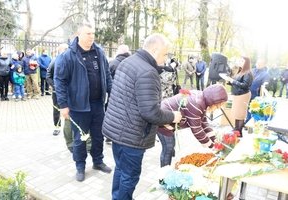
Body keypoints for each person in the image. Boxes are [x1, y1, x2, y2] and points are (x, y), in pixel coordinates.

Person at [102, 33, 182, 200]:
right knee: (129, 176)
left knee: (121, 169)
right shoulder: (148, 72)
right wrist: (173, 116)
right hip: (131, 136)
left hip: (117, 131)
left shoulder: (128, 62)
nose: (166, 58)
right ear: (154, 49)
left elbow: (133, 101)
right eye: (165, 53)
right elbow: (150, 112)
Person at [54, 22, 113, 182]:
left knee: (98, 135)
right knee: (80, 138)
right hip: (78, 106)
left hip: (97, 104)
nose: (91, 37)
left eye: (93, 33)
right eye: (88, 34)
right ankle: (80, 166)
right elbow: (60, 81)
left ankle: (98, 161)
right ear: (78, 35)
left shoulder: (99, 52)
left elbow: (106, 74)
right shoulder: (68, 55)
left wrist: (111, 93)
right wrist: (63, 105)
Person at [157, 84, 228, 167]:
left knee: (170, 146)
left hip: (170, 120)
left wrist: (214, 140)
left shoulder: (203, 99)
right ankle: (164, 175)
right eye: (218, 105)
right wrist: (212, 146)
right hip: (163, 121)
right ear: (213, 101)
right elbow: (197, 130)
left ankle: (168, 165)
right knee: (168, 149)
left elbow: (203, 122)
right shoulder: (197, 103)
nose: (218, 108)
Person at [224, 57, 253, 136]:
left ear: (246, 63)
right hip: (237, 94)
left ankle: (239, 132)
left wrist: (233, 81)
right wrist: (229, 81)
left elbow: (245, 85)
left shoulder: (248, 73)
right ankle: (236, 128)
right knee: (237, 113)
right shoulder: (240, 71)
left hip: (243, 95)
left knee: (240, 114)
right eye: (239, 60)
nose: (239, 62)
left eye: (242, 61)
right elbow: (236, 82)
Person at [46, 43, 69, 136]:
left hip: (69, 91)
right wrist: (56, 86)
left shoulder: (70, 61)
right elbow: (48, 76)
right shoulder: (54, 61)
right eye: (66, 49)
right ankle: (57, 126)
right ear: (60, 50)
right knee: (57, 109)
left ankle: (69, 129)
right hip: (57, 91)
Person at [245, 58, 269, 124]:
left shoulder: (265, 74)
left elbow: (265, 84)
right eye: (257, 63)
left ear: (264, 65)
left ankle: (249, 122)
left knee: (253, 109)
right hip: (247, 92)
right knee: (247, 108)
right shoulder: (251, 71)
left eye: (260, 63)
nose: (258, 65)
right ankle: (247, 121)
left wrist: (264, 85)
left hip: (256, 95)